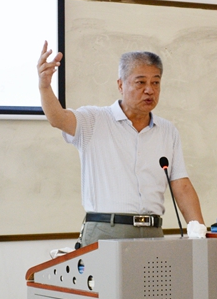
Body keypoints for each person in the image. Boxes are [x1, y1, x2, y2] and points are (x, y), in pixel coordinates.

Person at [37, 41, 204, 247]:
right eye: (140, 82)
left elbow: (181, 185)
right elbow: (58, 118)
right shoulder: (94, 120)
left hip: (152, 231)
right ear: (120, 85)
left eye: (155, 83)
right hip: (106, 229)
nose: (149, 90)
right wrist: (45, 86)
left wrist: (200, 235)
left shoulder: (168, 131)